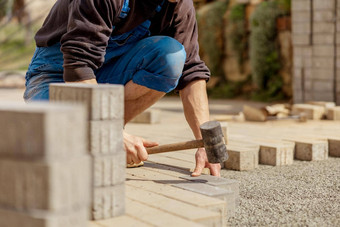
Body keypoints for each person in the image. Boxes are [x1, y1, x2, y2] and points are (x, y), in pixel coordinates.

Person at [24, 0, 221, 177]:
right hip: (56, 77)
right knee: (50, 145)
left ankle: (104, 135)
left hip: (106, 75)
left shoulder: (179, 6)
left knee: (171, 55)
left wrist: (204, 140)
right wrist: (110, 133)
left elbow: (191, 73)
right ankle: (102, 134)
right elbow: (79, 67)